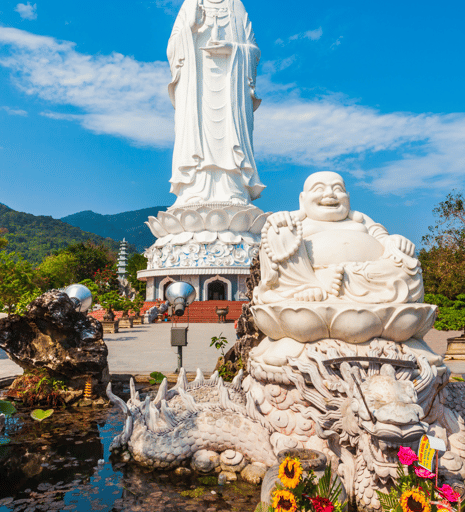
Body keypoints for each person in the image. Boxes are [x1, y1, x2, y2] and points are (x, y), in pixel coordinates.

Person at [254, 172, 424, 304]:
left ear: (347, 197)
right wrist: (277, 221)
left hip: (366, 276)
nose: (330, 194)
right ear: (302, 199)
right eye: (319, 189)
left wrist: (393, 241)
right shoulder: (296, 220)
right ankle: (311, 284)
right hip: (307, 280)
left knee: (406, 263)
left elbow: (382, 237)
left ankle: (340, 281)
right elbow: (271, 241)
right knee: (279, 232)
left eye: (338, 189)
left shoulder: (360, 219)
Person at [167, 0, 265, 206]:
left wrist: (233, 49)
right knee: (196, 135)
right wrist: (190, 28)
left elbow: (254, 51)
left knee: (230, 137)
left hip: (231, 87)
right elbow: (172, 48)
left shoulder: (235, 6)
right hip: (196, 86)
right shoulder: (190, 4)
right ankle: (193, 190)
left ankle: (234, 189)